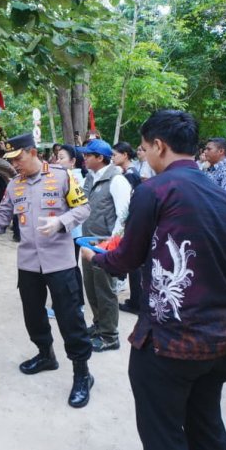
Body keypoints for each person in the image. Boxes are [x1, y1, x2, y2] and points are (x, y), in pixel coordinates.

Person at [89, 110, 226, 450]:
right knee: (206, 426)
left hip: (172, 341)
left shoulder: (155, 189)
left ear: (159, 146)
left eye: (145, 149)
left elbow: (126, 259)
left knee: (162, 435)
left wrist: (95, 257)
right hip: (224, 338)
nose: (144, 156)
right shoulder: (220, 192)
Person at [0, 133, 95, 408]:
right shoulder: (14, 185)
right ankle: (46, 355)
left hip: (60, 263)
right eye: (10, 160)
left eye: (18, 158)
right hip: (29, 264)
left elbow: (83, 209)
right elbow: (0, 217)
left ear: (32, 152)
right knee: (33, 315)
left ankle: (82, 373)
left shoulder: (62, 176)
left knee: (70, 318)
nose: (14, 164)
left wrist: (61, 222)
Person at [78, 139, 131, 352]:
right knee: (91, 287)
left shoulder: (117, 181)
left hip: (105, 247)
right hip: (88, 242)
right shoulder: (90, 178)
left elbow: (124, 216)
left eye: (88, 155)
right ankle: (99, 324)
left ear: (100, 158)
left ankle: (110, 335)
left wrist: (111, 246)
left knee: (105, 290)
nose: (84, 158)